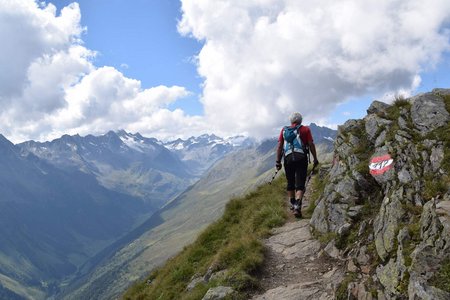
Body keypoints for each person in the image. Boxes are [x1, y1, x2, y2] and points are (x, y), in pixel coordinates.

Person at [276, 112, 319, 217]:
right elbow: (310, 144)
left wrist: (278, 161)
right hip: (301, 158)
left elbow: (280, 146)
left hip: (288, 158)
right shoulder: (305, 129)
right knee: (300, 183)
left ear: (291, 121)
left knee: (290, 181)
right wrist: (315, 158)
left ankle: (292, 203)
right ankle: (297, 206)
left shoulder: (284, 130)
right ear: (301, 120)